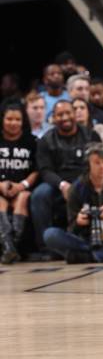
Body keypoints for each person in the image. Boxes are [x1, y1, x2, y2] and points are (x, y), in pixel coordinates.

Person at [30, 100, 100, 259]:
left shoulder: (90, 134)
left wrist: (79, 184)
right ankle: (46, 249)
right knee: (39, 195)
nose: (65, 117)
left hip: (86, 182)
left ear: (74, 114)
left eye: (68, 112)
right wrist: (61, 185)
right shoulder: (46, 140)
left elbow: (99, 162)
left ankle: (96, 241)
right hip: (57, 184)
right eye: (60, 114)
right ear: (53, 118)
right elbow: (45, 170)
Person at [0, 103, 38, 264]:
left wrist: (22, 185)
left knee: (22, 199)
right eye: (9, 119)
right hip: (0, 188)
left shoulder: (32, 141)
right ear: (2, 119)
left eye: (17, 119)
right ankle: (10, 247)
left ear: (23, 121)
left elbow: (37, 170)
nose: (13, 123)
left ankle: (10, 247)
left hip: (22, 188)